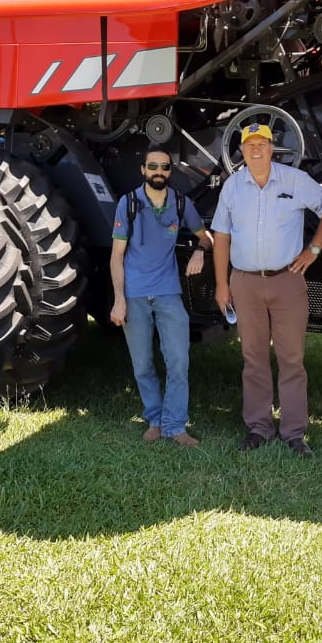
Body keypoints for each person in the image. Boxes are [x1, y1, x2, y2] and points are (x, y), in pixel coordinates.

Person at [212, 122, 322, 456]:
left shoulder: (294, 180)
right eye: (249, 145)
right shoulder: (233, 187)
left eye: (262, 144)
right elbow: (221, 236)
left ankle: (294, 432)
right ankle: (258, 427)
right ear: (242, 150)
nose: (256, 150)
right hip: (245, 281)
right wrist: (222, 285)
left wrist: (314, 249)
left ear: (272, 148)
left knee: (292, 357)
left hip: (286, 281)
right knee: (253, 358)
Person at [110, 149, 211, 447]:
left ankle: (176, 425)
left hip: (168, 293)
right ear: (143, 169)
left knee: (178, 361)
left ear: (170, 171)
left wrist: (199, 251)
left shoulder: (181, 203)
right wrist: (119, 299)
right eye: (152, 166)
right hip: (135, 294)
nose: (158, 171)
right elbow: (116, 256)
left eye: (164, 167)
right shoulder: (127, 204)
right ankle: (155, 419)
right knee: (142, 364)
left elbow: (206, 236)